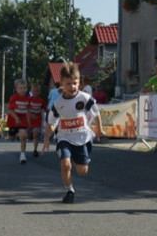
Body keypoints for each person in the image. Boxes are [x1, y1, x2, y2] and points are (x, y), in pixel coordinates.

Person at [46, 62, 103, 204]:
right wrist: (48, 136)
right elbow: (52, 121)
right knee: (65, 164)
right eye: (68, 84)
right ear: (62, 84)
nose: (72, 87)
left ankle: (77, 159)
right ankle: (69, 190)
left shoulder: (84, 98)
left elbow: (96, 113)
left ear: (79, 82)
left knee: (82, 171)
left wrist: (100, 129)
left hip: (82, 137)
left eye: (74, 83)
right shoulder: (58, 103)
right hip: (65, 138)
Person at [6, 79, 33, 164]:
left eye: (24, 88)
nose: (23, 90)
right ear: (16, 89)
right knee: (11, 138)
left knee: (23, 136)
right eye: (20, 88)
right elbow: (9, 110)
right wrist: (16, 118)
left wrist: (29, 122)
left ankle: (22, 155)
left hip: (22, 120)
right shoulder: (14, 98)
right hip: (13, 121)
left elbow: (28, 109)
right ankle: (13, 134)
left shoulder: (28, 98)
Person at [27, 83, 46, 158]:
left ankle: (35, 149)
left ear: (39, 92)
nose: (35, 93)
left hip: (37, 121)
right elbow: (26, 110)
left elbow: (45, 109)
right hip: (29, 121)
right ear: (31, 91)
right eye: (34, 91)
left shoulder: (41, 101)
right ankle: (30, 136)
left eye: (37, 91)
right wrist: (30, 116)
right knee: (29, 136)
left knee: (36, 134)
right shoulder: (29, 100)